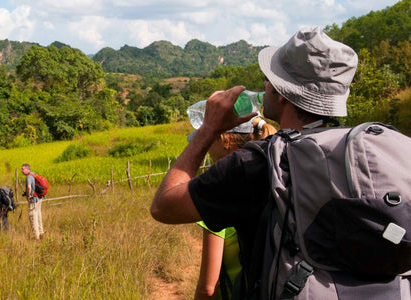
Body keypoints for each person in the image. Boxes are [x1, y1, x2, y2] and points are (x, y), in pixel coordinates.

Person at [150, 27, 358, 298]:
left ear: (282, 93)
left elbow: (163, 206)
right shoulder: (360, 154)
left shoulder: (259, 164)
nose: (264, 86)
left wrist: (208, 130)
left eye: (268, 80)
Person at [193, 115, 277, 300]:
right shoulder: (275, 177)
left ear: (225, 140)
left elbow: (208, 288)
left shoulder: (220, 196)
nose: (208, 149)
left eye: (209, 141)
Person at [21, 163, 44, 240]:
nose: (21, 170)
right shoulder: (34, 174)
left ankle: (36, 237)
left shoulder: (28, 177)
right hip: (39, 199)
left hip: (33, 200)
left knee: (33, 218)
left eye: (23, 169)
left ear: (28, 169)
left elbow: (29, 187)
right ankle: (41, 233)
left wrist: (28, 195)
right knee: (38, 216)